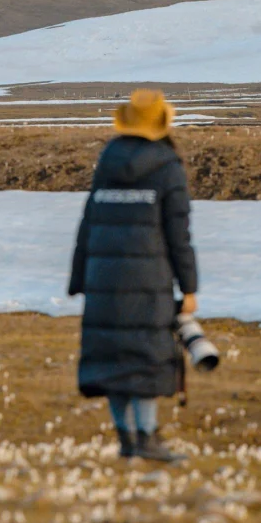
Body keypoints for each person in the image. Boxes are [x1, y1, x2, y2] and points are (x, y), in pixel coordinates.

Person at [68, 88, 198, 461]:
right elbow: (179, 234)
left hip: (103, 276)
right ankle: (148, 438)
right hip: (149, 279)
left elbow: (88, 222)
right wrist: (189, 286)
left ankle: (126, 439)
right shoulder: (167, 165)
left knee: (112, 356)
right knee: (147, 355)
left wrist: (79, 277)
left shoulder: (108, 159)